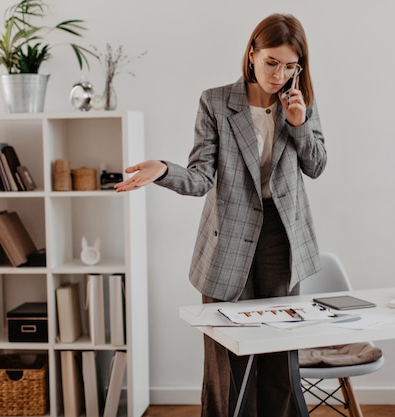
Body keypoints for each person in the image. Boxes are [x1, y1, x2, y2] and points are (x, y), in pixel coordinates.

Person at [115, 13, 326, 417]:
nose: (279, 74)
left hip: (282, 243)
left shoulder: (301, 104)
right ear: (252, 54)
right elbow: (200, 178)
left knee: (279, 358)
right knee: (228, 361)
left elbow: (316, 167)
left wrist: (298, 124)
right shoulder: (215, 102)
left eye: (289, 66)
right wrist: (162, 169)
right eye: (271, 62)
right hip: (227, 242)